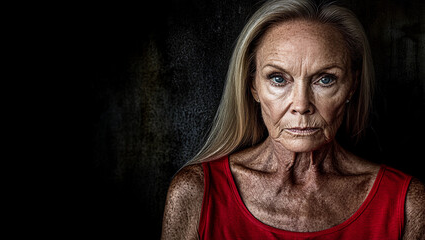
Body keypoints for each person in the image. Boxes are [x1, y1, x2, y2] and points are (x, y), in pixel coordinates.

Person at [161, 0, 425, 239]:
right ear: (253, 86)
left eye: (325, 79)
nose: (301, 105)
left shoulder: (407, 204)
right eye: (278, 78)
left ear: (352, 86)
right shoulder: (196, 192)